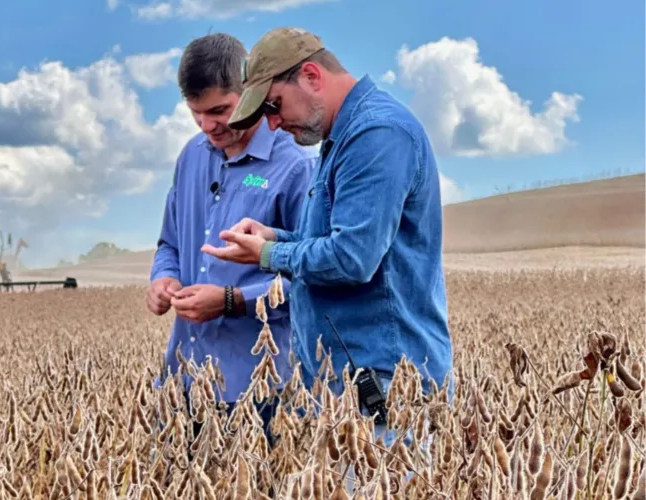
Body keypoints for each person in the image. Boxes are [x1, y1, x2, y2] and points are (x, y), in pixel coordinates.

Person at [200, 27, 455, 443]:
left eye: (275, 105)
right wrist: (277, 239)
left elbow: (351, 258)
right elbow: (333, 241)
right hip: (349, 385)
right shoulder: (342, 137)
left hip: (385, 388)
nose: (274, 123)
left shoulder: (376, 135)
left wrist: (267, 255)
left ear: (312, 77)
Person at [147, 32, 314, 444]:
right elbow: (170, 243)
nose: (208, 126)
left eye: (219, 110)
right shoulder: (191, 157)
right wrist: (162, 279)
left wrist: (229, 301)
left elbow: (312, 275)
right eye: (195, 113)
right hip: (185, 380)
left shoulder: (294, 167)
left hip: (262, 385)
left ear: (251, 92)